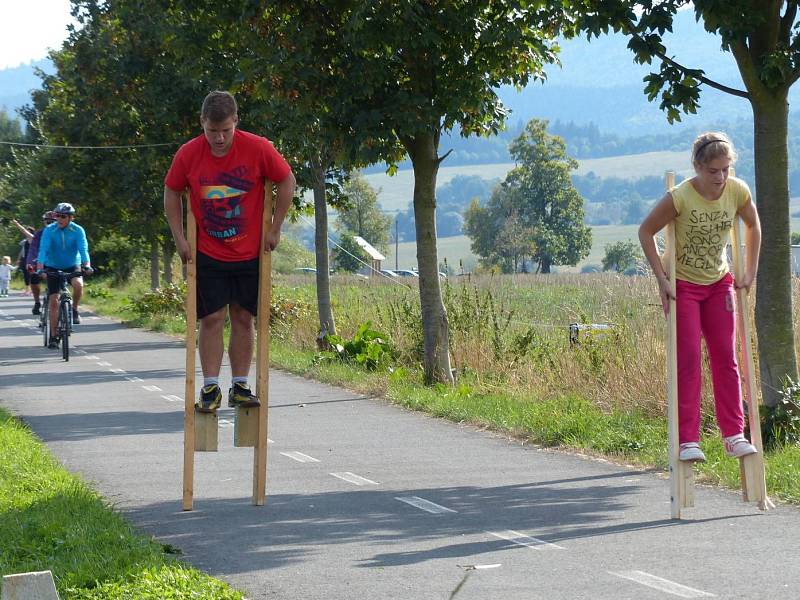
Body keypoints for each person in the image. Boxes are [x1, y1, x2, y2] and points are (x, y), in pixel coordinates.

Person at [164, 90, 296, 412]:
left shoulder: (258, 148)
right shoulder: (189, 154)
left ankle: (240, 385)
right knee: (211, 318)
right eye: (212, 131)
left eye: (225, 130)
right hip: (208, 252)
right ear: (202, 124)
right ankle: (210, 388)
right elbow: (172, 191)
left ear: (236, 121)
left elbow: (287, 180)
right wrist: (180, 239)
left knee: (242, 316)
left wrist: (275, 228)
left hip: (249, 252)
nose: (219, 138)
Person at [639, 131, 761, 463]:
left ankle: (734, 434)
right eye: (713, 171)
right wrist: (661, 279)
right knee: (689, 360)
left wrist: (749, 272)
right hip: (684, 287)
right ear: (697, 167)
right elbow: (645, 231)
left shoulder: (737, 191)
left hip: (719, 282)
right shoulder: (679, 197)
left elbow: (753, 224)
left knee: (726, 358)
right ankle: (688, 439)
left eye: (725, 169)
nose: (720, 177)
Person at [36, 202, 92, 348]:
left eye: (62, 216)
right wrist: (40, 267)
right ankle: (54, 337)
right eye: (57, 216)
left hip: (72, 264)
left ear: (71, 218)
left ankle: (74, 310)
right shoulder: (49, 230)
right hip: (52, 266)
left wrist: (87, 265)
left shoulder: (78, 230)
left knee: (78, 284)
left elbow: (83, 249)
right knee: (54, 301)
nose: (59, 219)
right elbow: (43, 250)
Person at [12, 213, 57, 314]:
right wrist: (30, 263)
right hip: (40, 261)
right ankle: (37, 303)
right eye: (47, 221)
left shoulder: (63, 232)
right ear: (44, 222)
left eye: (52, 221)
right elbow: (33, 250)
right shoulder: (39, 234)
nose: (49, 223)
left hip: (56, 262)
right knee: (34, 278)